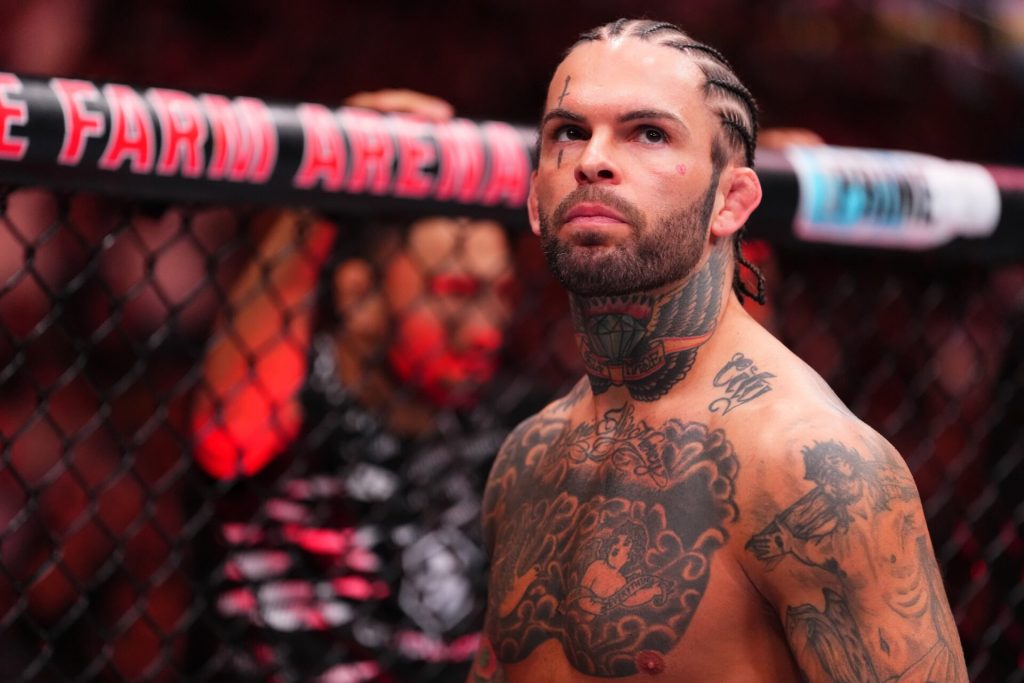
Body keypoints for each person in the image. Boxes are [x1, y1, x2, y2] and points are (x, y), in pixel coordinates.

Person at [469, 18, 968, 682]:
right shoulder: (525, 460)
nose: (592, 159)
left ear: (730, 202)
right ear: (536, 199)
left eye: (649, 133)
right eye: (569, 132)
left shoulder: (813, 468)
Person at [189, 91, 545, 682]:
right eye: (455, 293)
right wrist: (331, 166)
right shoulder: (297, 407)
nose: (487, 327)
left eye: (499, 295)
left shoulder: (512, 430)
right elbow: (227, 430)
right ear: (359, 297)